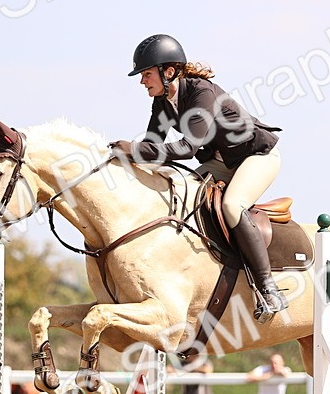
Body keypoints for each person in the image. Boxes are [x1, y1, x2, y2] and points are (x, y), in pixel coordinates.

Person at [109, 34, 287, 322]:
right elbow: (154, 147)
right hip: (221, 162)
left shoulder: (202, 93)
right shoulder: (163, 101)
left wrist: (135, 150)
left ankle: (269, 290)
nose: (142, 81)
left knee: (232, 206)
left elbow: (186, 148)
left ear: (169, 72)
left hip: (257, 157)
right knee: (177, 194)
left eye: (146, 73)